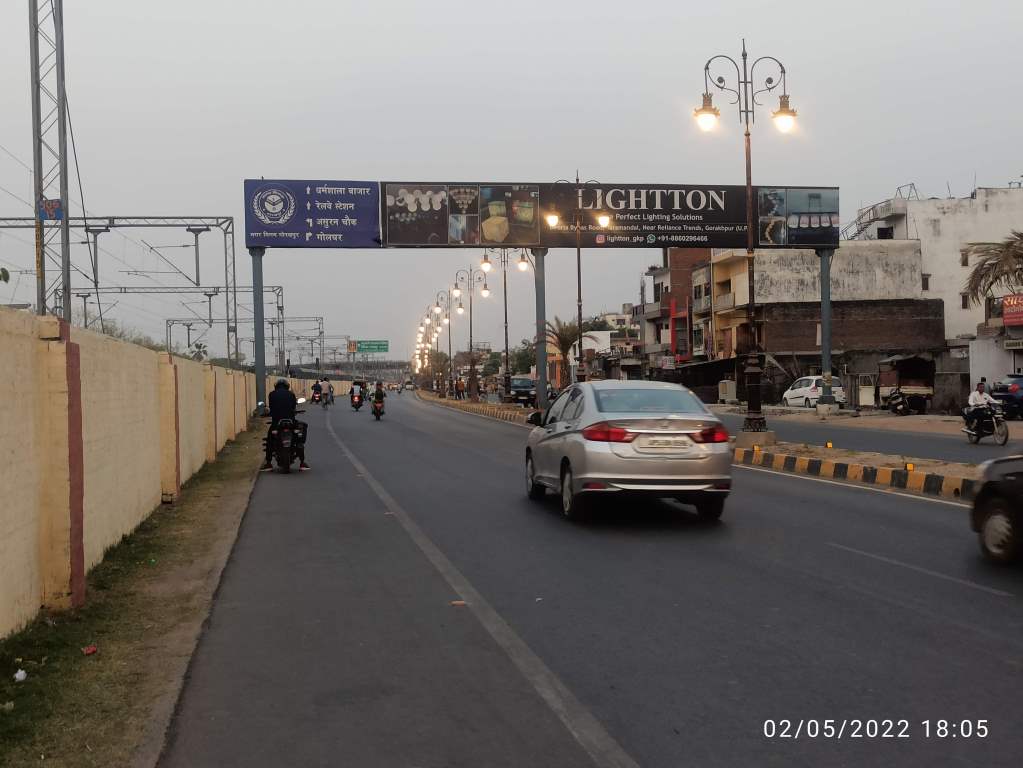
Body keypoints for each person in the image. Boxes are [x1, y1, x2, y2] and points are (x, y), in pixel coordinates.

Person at [262, 378, 308, 471]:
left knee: (270, 440)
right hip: (290, 421)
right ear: (287, 386)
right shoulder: (291, 394)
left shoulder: (272, 394)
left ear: (276, 386)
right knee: (298, 439)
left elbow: (271, 408)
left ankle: (268, 463)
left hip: (276, 422)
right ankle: (302, 463)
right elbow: (293, 407)